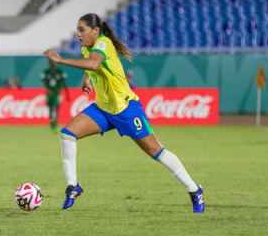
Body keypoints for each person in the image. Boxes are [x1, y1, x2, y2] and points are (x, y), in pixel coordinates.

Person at [43, 13, 204, 213]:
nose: (78, 34)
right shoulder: (88, 47)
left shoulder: (103, 43)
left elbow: (94, 63)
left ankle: (194, 189)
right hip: (103, 109)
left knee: (156, 152)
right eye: (77, 30)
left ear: (95, 31)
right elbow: (91, 65)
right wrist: (86, 78)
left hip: (126, 109)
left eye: (82, 30)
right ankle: (73, 185)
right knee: (67, 134)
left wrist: (61, 60)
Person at [40, 58, 70, 133]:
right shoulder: (46, 72)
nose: (51, 63)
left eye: (52, 61)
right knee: (50, 109)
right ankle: (52, 124)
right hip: (49, 94)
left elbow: (64, 83)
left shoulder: (59, 71)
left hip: (57, 93)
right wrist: (48, 89)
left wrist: (67, 93)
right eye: (50, 62)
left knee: (56, 109)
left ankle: (55, 124)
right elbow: (44, 83)